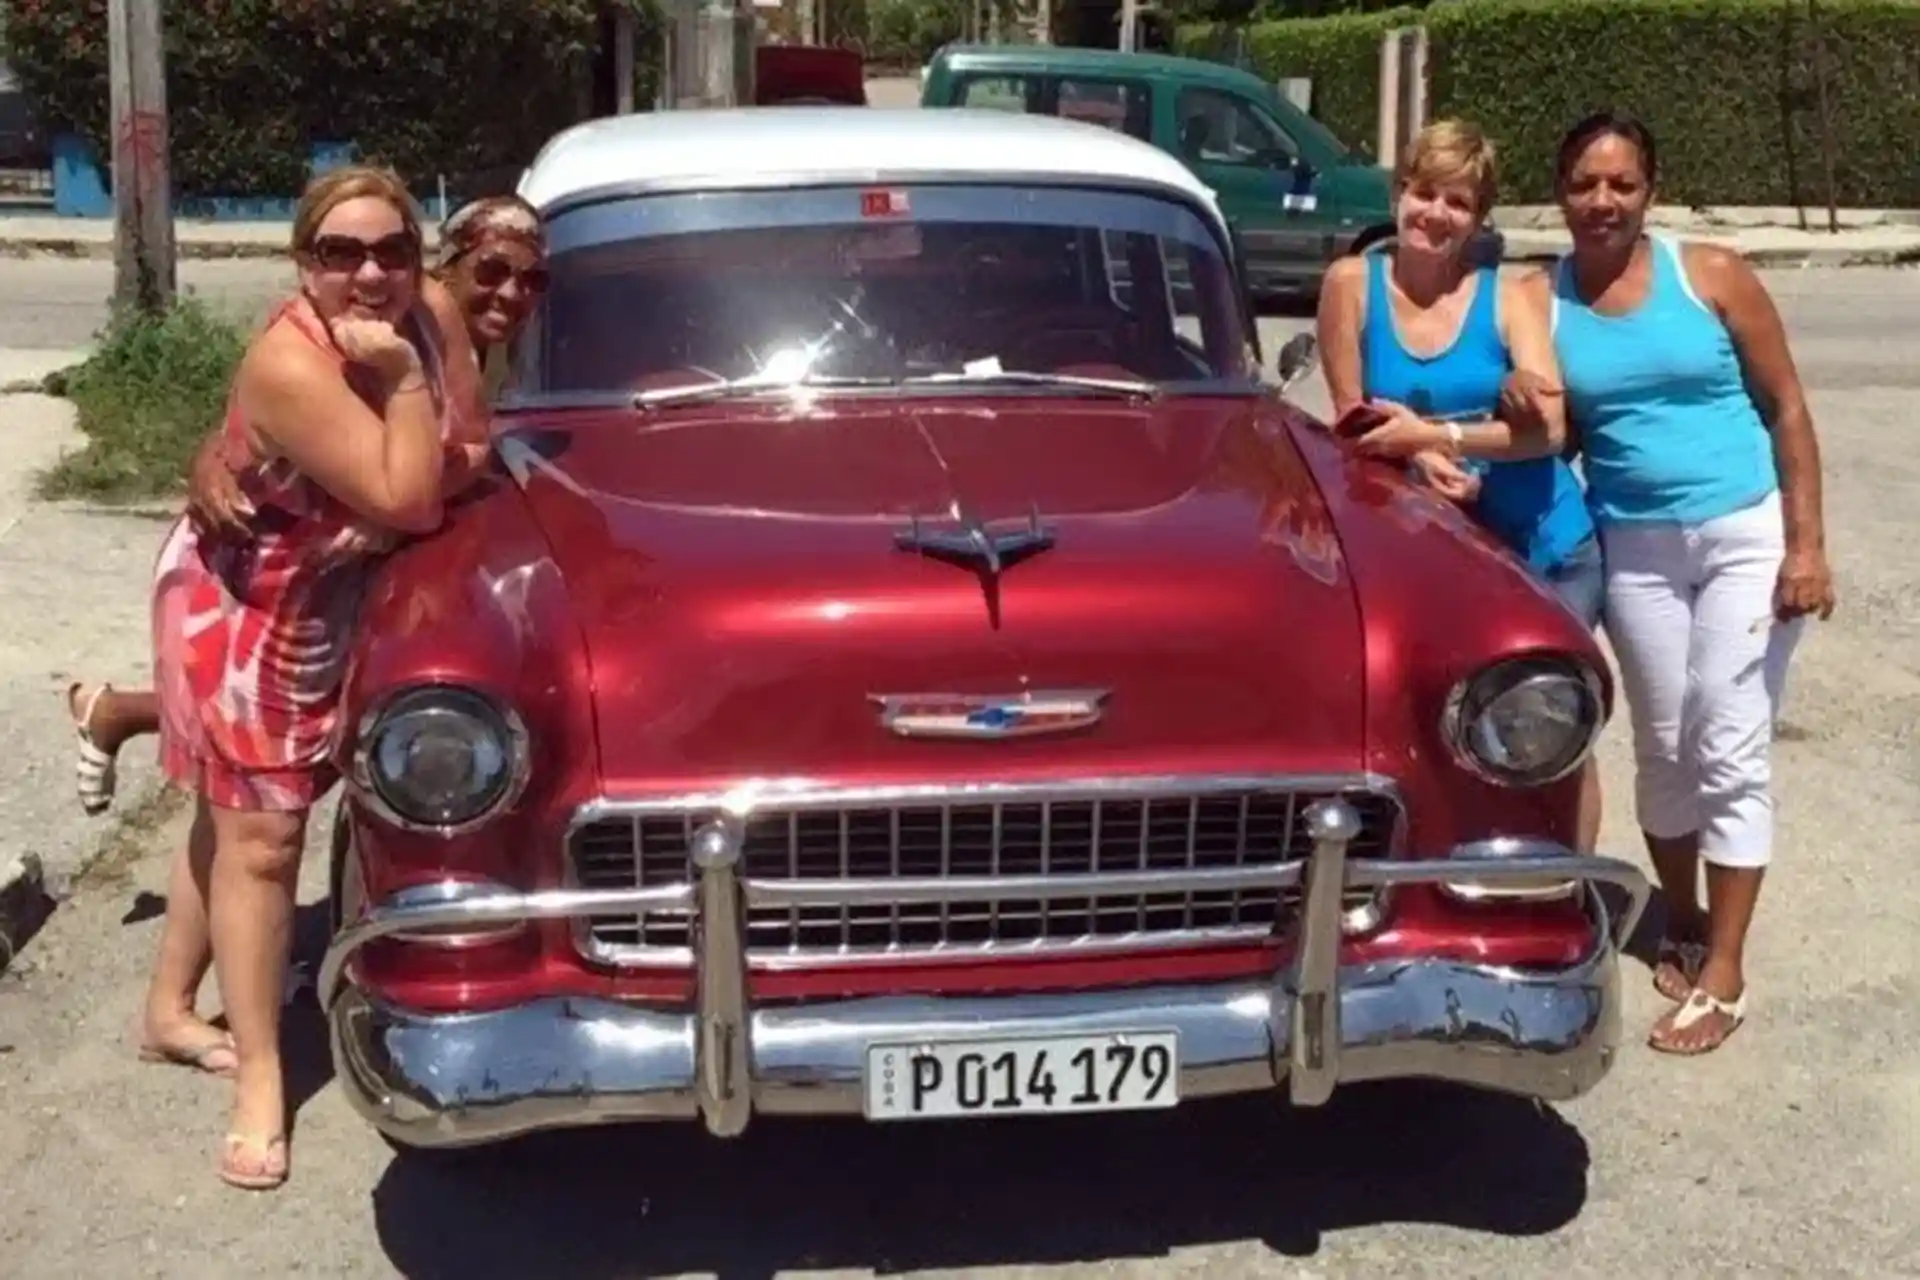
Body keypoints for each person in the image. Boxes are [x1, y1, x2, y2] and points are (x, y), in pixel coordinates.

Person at [128, 165, 488, 1191]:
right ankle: (261, 1079)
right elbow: (414, 493)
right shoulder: (292, 363)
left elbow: (472, 443)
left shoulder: (431, 313)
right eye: (341, 255)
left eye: (392, 251)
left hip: (325, 599)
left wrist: (422, 427)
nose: (370, 273)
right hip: (242, 609)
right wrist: (409, 397)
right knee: (265, 834)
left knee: (235, 817)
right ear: (303, 264)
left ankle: (167, 1008)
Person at [1504, 111, 1835, 1055]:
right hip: (1636, 545)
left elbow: (1789, 406)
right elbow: (1537, 421)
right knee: (1660, 744)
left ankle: (1724, 969)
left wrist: (1807, 546)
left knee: (1726, 738)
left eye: (1622, 183)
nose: (1602, 201)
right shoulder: (1541, 298)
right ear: (1560, 189)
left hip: (1743, 533)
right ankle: (1681, 920)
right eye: (1584, 183)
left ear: (1650, 190)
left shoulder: (1712, 274)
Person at [64, 193, 547, 814]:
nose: (513, 293)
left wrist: (398, 509)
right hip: (272, 586)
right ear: (444, 267)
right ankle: (119, 714)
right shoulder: (395, 323)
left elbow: (464, 452)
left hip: (351, 578)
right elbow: (279, 410)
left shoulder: (510, 348)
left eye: (534, 280)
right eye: (491, 271)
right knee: (263, 808)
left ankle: (121, 712)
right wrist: (210, 456)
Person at [1313, 117, 1605, 854]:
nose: (1435, 215)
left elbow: (1548, 430)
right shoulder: (1352, 284)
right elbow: (1349, 427)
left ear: (1479, 219)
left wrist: (1435, 436)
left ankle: (1558, 887)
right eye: (1423, 194)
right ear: (1398, 193)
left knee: (1548, 735)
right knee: (1429, 731)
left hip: (1542, 548)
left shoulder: (1509, 300)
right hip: (1427, 558)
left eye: (1458, 203)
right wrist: (1411, 462)